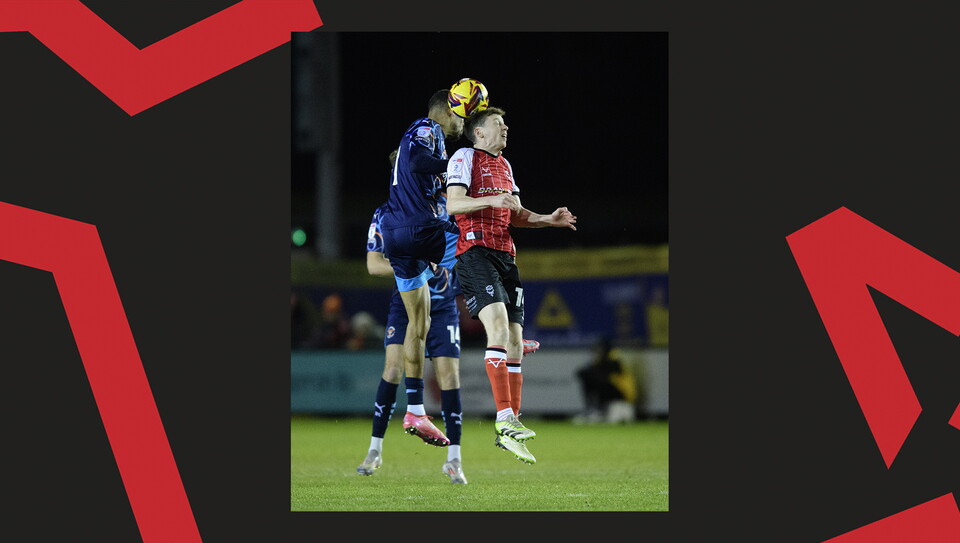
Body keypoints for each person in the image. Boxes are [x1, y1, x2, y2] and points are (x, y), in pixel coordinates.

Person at [445, 106, 577, 464]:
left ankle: (511, 425)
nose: (505, 128)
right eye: (497, 125)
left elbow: (516, 214)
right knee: (499, 328)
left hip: (506, 256)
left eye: (505, 123)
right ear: (478, 133)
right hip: (474, 252)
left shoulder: (504, 165)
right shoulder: (464, 157)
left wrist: (547, 220)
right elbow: (453, 204)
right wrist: (491, 199)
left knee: (516, 339)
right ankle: (504, 417)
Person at [357, 200, 469, 484]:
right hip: (406, 302)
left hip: (443, 306)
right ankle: (374, 451)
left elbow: (465, 249)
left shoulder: (451, 204)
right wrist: (412, 266)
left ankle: (454, 459)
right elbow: (373, 265)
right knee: (393, 369)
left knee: (449, 376)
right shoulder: (385, 213)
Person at [379, 89, 464, 449]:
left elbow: (419, 174)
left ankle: (414, 410)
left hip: (397, 236)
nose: (462, 122)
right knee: (476, 241)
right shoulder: (426, 129)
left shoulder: (429, 140)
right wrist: (458, 164)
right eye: (459, 115)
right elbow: (416, 160)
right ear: (447, 110)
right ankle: (506, 329)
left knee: (420, 324)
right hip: (419, 228)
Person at [576, 337, 635, 423]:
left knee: (601, 380)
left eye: (600, 349)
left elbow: (602, 374)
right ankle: (591, 409)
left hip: (623, 395)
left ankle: (598, 410)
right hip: (613, 395)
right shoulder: (600, 360)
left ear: (605, 349)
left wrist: (588, 372)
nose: (597, 351)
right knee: (589, 378)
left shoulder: (613, 359)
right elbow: (582, 372)